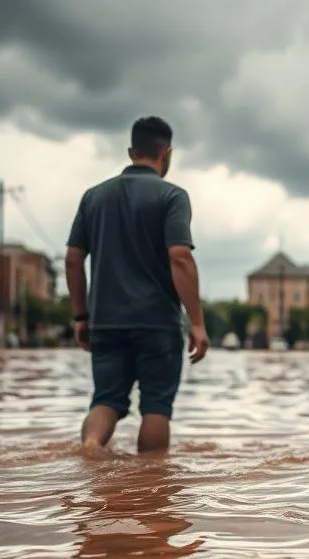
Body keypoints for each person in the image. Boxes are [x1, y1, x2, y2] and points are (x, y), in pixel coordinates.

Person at [65, 116, 210, 455]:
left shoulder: (93, 197)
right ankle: (150, 488)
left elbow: (73, 259)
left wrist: (81, 317)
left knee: (106, 399)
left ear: (131, 151)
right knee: (156, 406)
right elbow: (180, 258)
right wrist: (198, 323)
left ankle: (90, 445)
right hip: (156, 322)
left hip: (106, 321)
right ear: (168, 153)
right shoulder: (173, 196)